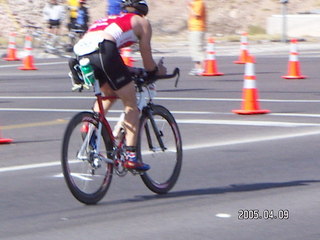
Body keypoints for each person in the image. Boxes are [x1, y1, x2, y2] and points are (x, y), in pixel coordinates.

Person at [70, 0, 166, 171]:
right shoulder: (141, 22)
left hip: (81, 53)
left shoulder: (110, 18)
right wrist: (157, 71)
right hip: (104, 50)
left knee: (110, 93)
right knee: (131, 104)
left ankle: (91, 125)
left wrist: (131, 70)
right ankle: (131, 156)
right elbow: (147, 59)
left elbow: (112, 58)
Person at [187, 0, 207, 76]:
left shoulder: (199, 3)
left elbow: (196, 15)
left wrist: (189, 7)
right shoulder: (195, 3)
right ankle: (197, 68)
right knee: (194, 49)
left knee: (198, 48)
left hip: (197, 29)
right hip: (194, 28)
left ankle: (201, 68)